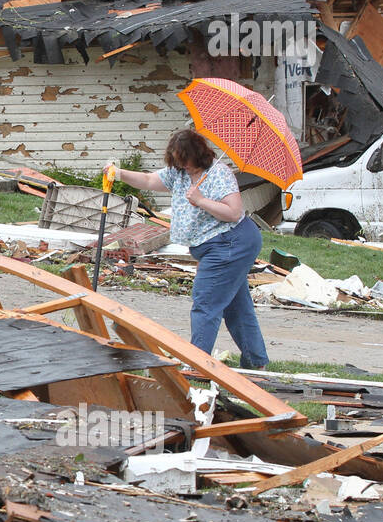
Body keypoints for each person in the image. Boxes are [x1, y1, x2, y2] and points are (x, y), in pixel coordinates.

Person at [109, 130, 269, 368]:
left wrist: (202, 200)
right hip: (216, 245)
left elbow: (234, 212)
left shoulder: (219, 174)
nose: (181, 164)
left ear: (198, 153)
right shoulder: (180, 173)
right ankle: (256, 362)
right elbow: (150, 181)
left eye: (184, 159)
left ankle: (196, 365)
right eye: (176, 159)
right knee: (236, 306)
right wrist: (119, 174)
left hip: (230, 243)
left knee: (206, 304)